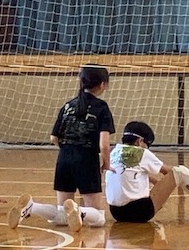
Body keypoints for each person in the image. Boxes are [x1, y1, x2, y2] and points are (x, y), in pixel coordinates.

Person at [8, 64, 112, 232]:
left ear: (81, 81)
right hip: (86, 159)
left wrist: (67, 150)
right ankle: (80, 210)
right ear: (102, 84)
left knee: (62, 215)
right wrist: (106, 163)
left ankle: (32, 207)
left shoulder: (67, 106)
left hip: (64, 158)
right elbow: (103, 144)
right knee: (98, 218)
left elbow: (53, 138)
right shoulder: (101, 107)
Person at [103, 121, 189, 223]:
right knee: (181, 171)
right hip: (139, 213)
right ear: (140, 141)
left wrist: (156, 183)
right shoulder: (141, 152)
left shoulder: (114, 151)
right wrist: (177, 182)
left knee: (147, 178)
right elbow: (170, 172)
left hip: (116, 213)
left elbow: (129, 173)